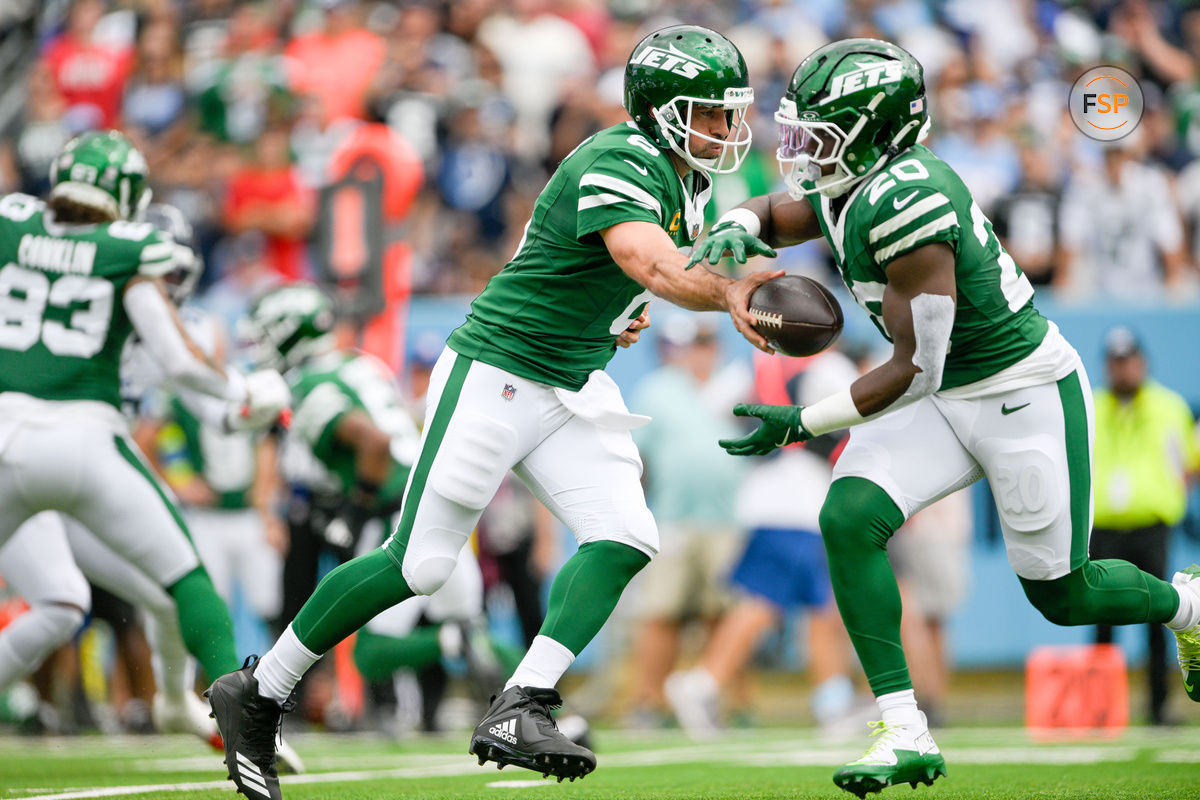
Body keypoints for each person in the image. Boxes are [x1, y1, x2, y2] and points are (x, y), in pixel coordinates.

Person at [206, 24, 777, 798]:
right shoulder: (621, 157)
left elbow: (628, 276)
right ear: (660, 109)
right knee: (420, 562)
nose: (726, 129)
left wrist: (624, 309)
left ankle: (523, 700)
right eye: (710, 112)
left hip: (571, 381)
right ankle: (261, 691)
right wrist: (727, 288)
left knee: (625, 536)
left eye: (728, 112)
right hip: (498, 374)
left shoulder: (687, 180)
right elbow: (649, 260)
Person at [688, 38, 1200, 797]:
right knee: (848, 516)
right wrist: (740, 223)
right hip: (937, 394)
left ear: (874, 133)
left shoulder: (912, 203)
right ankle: (903, 730)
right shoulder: (855, 178)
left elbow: (912, 367)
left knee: (1065, 594)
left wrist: (804, 423)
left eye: (819, 136)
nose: (802, 151)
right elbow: (785, 209)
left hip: (1012, 391)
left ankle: (1188, 607)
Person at [0, 133, 291, 728]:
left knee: (91, 600)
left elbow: (201, 402)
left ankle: (177, 703)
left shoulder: (18, 224)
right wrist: (245, 392)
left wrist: (240, 411)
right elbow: (188, 369)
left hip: (20, 441)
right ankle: (234, 716)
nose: (173, 284)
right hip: (88, 447)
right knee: (180, 579)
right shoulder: (126, 259)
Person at [627, 313, 749, 723]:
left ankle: (729, 703)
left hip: (730, 520)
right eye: (691, 345)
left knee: (727, 614)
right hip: (672, 519)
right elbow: (637, 461)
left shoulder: (735, 386)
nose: (698, 353)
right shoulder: (657, 389)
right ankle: (650, 702)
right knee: (662, 613)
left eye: (705, 344)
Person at [1090, 326, 1200, 726]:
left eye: (1129, 361)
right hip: (1103, 527)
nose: (1124, 370)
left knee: (1158, 618)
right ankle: (1100, 710)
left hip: (1151, 527)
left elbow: (1188, 463)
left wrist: (1166, 495)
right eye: (1116, 363)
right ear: (1108, 366)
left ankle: (1158, 706)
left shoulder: (1168, 407)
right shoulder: (1091, 406)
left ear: (1143, 362)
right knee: (1100, 619)